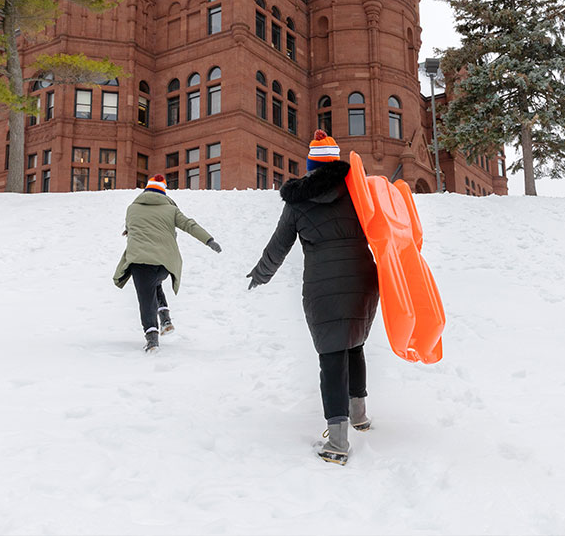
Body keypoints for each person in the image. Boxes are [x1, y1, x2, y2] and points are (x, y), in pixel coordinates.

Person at [247, 130, 379, 465]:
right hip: (364, 280)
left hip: (323, 287)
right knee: (354, 343)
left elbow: (279, 246)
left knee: (332, 354)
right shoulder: (358, 192)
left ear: (309, 166)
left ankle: (337, 442)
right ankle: (359, 416)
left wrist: (260, 274)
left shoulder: (297, 203)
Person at [113, 174, 222, 352]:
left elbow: (129, 227)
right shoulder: (171, 210)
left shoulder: (131, 208)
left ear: (146, 190)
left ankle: (152, 340)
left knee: (146, 298)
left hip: (140, 262)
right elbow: (189, 225)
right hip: (165, 264)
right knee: (154, 283)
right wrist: (209, 240)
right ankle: (165, 318)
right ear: (163, 192)